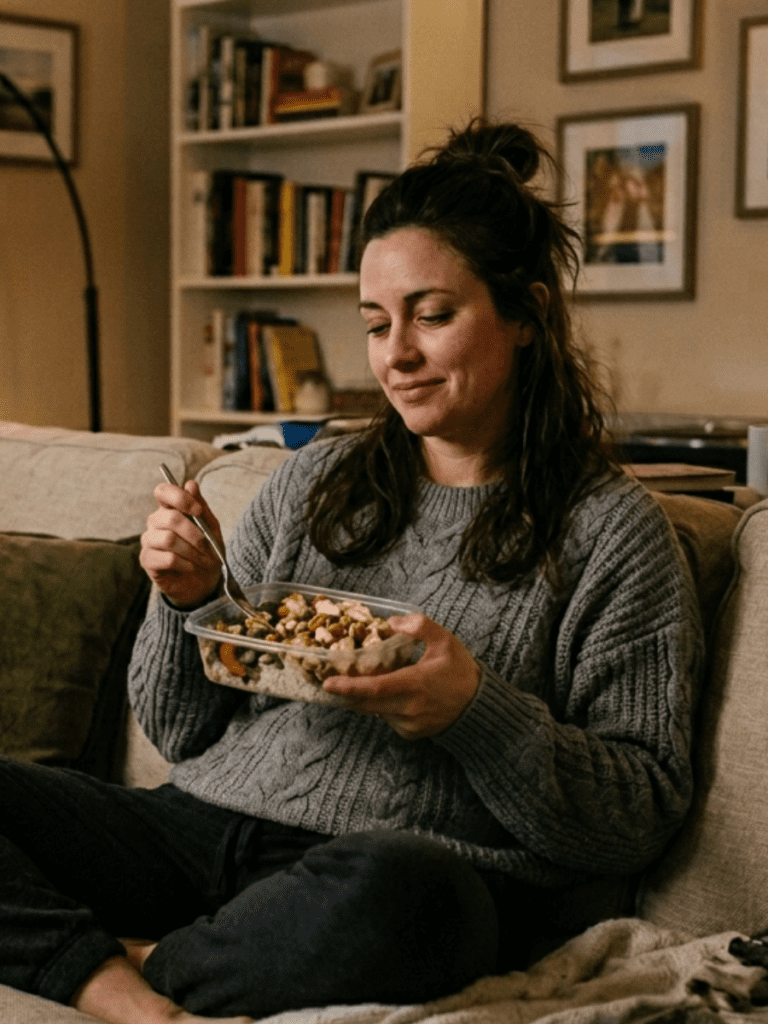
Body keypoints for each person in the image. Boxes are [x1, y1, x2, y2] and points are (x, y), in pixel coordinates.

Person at [0, 119, 703, 1024]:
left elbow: (638, 811)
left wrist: (473, 714)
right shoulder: (316, 481)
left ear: (526, 314)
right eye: (376, 325)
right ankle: (121, 984)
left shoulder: (613, 533)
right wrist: (190, 601)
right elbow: (180, 731)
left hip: (387, 872)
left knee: (413, 897)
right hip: (199, 828)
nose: (395, 356)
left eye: (432, 315)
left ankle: (133, 960)